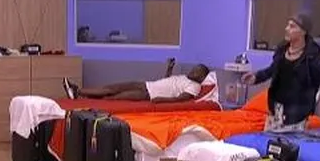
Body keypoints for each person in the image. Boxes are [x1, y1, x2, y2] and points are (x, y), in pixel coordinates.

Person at [240, 14, 320, 130]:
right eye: (287, 25)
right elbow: (271, 70)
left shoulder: (312, 57)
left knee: (291, 141)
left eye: (292, 26)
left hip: (298, 116)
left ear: (303, 32)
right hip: (276, 113)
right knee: (271, 141)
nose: (287, 29)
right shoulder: (282, 51)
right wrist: (255, 77)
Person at [63, 58, 210, 103]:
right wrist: (169, 69)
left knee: (114, 98)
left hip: (148, 95)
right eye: (195, 68)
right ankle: (78, 91)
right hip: (146, 84)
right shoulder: (183, 77)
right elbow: (166, 83)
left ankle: (81, 98)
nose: (194, 71)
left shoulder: (195, 87)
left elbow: (179, 99)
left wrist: (161, 100)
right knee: (111, 88)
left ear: (202, 77)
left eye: (198, 71)